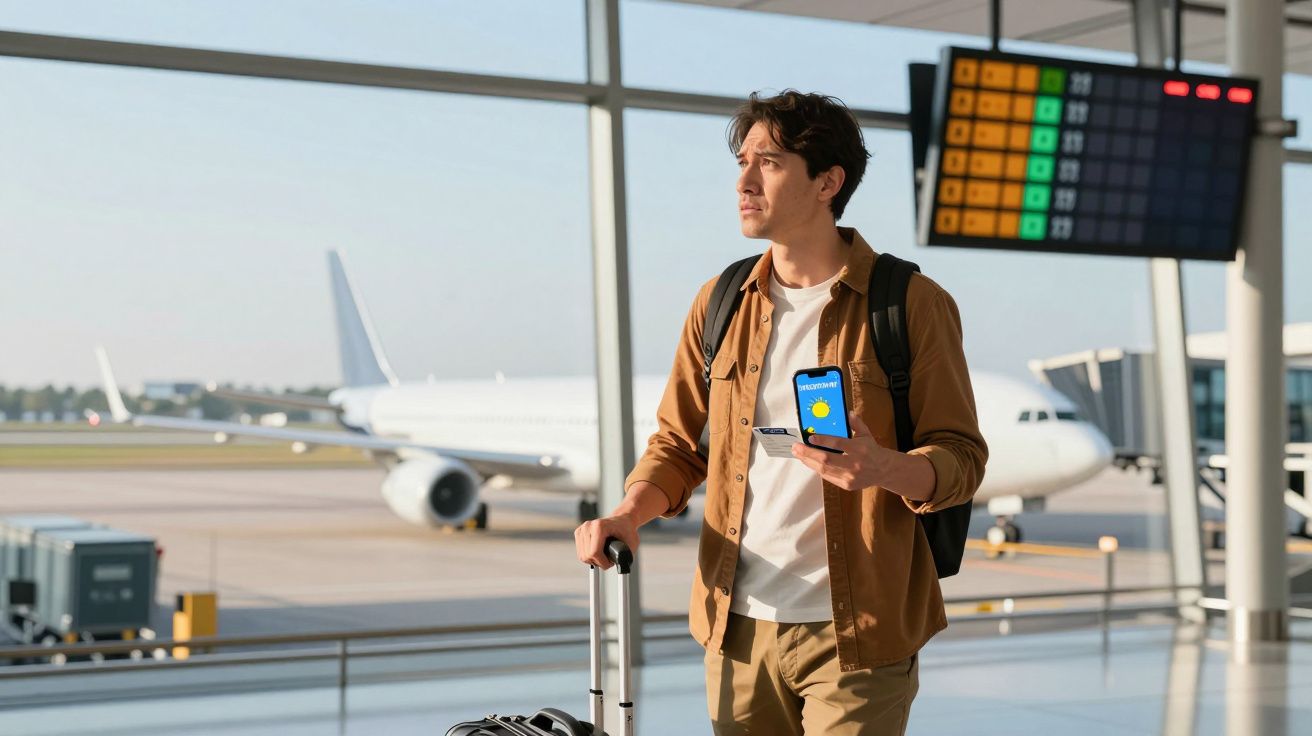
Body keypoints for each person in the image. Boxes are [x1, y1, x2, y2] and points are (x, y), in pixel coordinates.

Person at [574, 89, 989, 736]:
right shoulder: (720, 302)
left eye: (767, 163)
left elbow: (961, 459)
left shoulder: (910, 303)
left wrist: (885, 468)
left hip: (860, 634)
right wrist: (628, 514)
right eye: (742, 161)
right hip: (737, 629)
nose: (743, 181)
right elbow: (679, 446)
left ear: (828, 181)